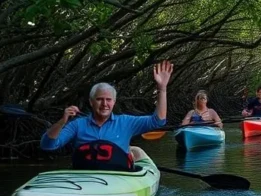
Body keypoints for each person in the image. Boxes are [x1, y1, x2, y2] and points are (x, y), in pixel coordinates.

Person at [41, 60, 174, 170]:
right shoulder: (77, 125)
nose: (104, 104)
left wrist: (162, 89)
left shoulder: (126, 122)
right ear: (91, 102)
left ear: (114, 102)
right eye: (99, 99)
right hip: (84, 177)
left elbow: (158, 121)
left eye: (108, 100)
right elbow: (48, 145)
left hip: (119, 176)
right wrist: (62, 122)